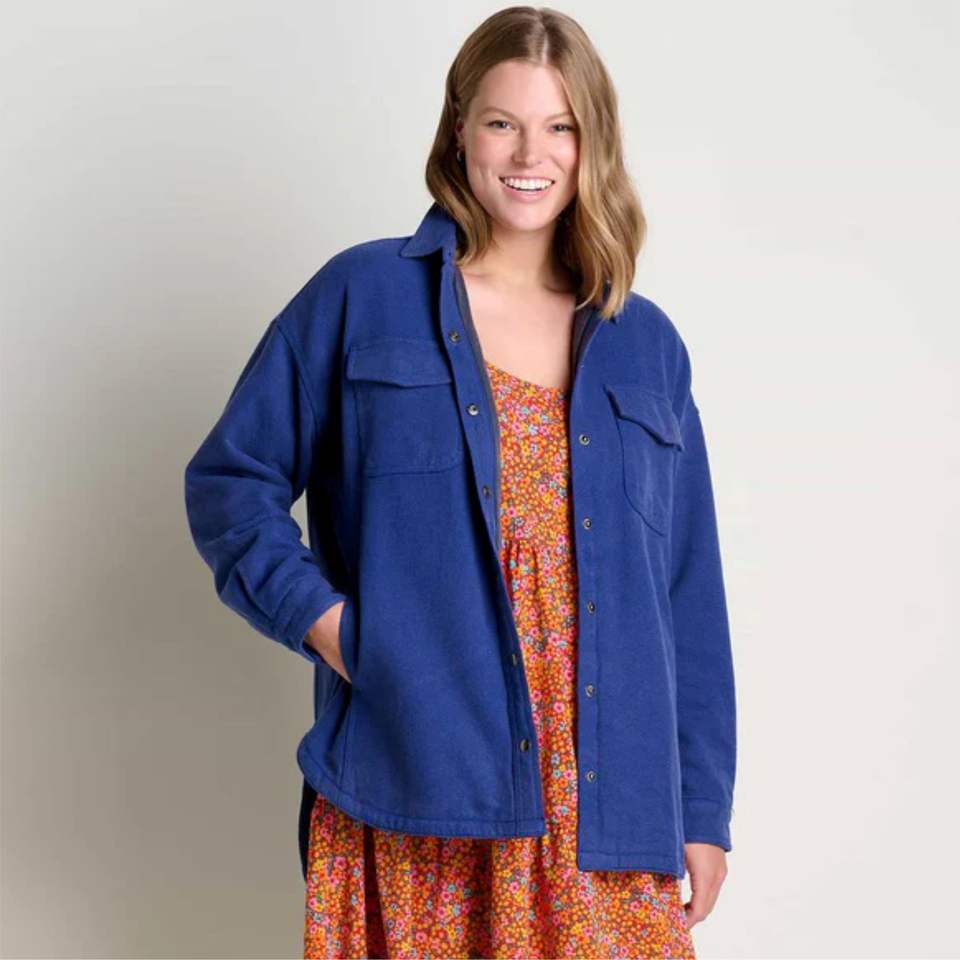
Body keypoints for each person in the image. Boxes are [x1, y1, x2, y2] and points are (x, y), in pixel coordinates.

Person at [184, 6, 737, 958]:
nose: (531, 153)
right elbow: (231, 483)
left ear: (593, 143)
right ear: (459, 131)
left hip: (609, 807)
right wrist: (338, 631)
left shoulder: (647, 345)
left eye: (560, 126)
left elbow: (688, 594)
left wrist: (703, 807)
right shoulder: (362, 296)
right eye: (502, 122)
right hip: (418, 775)